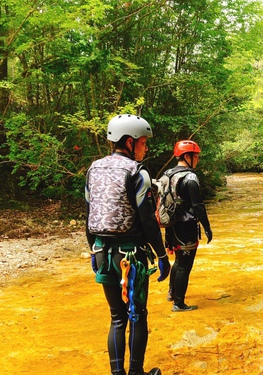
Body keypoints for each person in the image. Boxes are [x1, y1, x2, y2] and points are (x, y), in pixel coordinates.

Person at [85, 114, 171, 375]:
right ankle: (136, 372)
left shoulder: (93, 168)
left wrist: (93, 249)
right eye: (144, 142)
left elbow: (88, 213)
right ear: (130, 142)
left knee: (117, 316)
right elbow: (147, 220)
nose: (146, 148)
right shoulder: (137, 173)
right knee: (137, 314)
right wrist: (162, 255)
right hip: (130, 256)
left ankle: (117, 373)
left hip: (101, 251)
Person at [164, 140, 212, 312]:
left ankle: (172, 292)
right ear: (187, 156)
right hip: (186, 227)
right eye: (196, 156)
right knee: (185, 264)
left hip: (172, 225)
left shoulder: (167, 173)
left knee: (178, 260)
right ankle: (179, 303)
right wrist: (207, 227)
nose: (197, 159)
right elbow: (198, 205)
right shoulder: (190, 177)